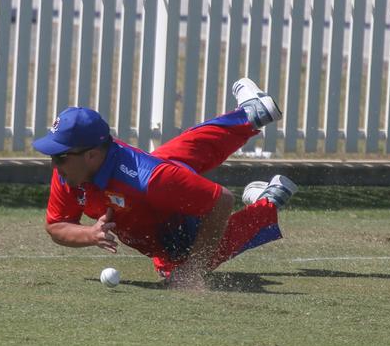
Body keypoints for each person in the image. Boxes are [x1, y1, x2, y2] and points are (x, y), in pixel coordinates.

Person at [32, 78, 297, 289]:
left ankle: (268, 201)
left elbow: (222, 201)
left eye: (60, 156)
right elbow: (56, 225)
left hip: (176, 227)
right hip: (153, 192)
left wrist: (193, 271)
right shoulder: (71, 171)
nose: (54, 164)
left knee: (178, 264)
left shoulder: (150, 179)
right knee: (170, 161)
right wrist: (89, 235)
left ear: (91, 155)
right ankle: (250, 115)